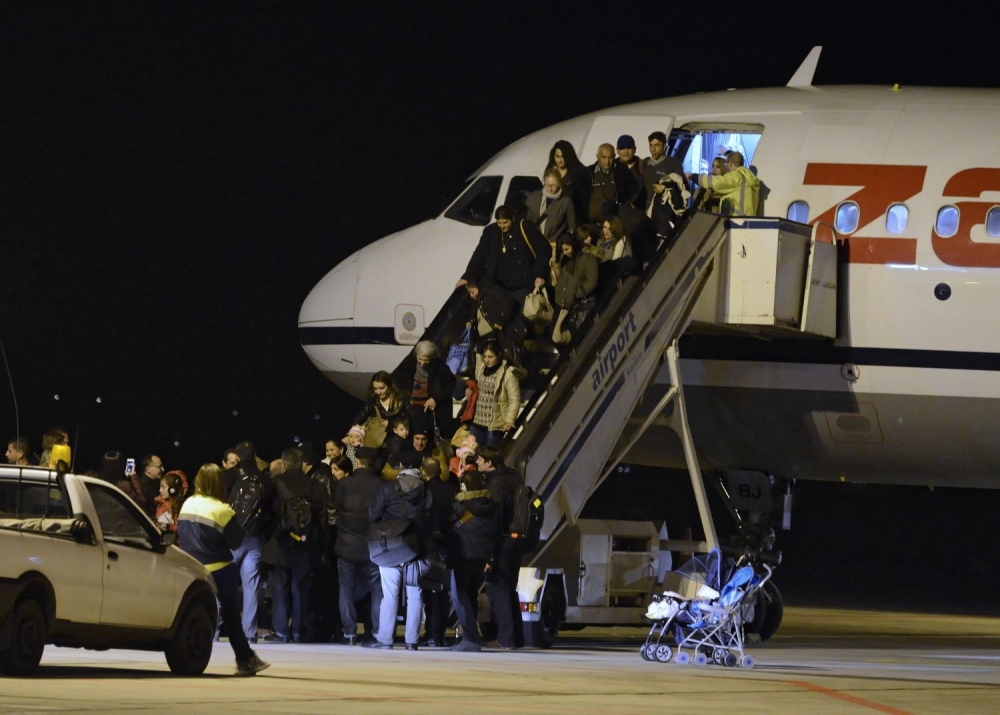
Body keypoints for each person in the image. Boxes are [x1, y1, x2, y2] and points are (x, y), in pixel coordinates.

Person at [177, 463, 270, 676]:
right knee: (231, 616)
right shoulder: (222, 510)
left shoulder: (187, 504)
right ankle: (245, 660)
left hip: (191, 567)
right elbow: (236, 542)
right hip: (217, 569)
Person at [262, 447, 327, 644]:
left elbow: (267, 515)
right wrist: (319, 546)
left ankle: (281, 631)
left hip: (278, 544)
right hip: (304, 545)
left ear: (283, 464)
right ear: (301, 463)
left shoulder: (273, 484)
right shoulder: (316, 486)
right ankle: (299, 630)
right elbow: (322, 520)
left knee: (279, 588)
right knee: (301, 588)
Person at [365, 454, 430, 650]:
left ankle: (385, 639)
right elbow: (430, 518)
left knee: (390, 593)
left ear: (401, 467)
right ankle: (412, 641)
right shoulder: (426, 490)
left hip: (391, 547)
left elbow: (373, 516)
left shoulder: (388, 488)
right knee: (415, 593)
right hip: (416, 547)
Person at [332, 446, 384, 645]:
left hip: (347, 544)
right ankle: (378, 631)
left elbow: (333, 509)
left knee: (346, 588)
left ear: (358, 462)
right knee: (377, 590)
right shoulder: (382, 485)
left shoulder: (345, 484)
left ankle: (349, 632)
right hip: (373, 545)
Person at [456, 205, 549, 315]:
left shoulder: (524, 226)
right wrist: (467, 276)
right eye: (499, 223)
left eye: (505, 222)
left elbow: (544, 249)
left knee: (523, 317)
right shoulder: (490, 232)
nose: (502, 226)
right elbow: (479, 254)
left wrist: (540, 274)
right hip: (500, 286)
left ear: (512, 219)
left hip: (523, 284)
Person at [444, 468, 500, 652]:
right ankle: (471, 637)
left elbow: (448, 524)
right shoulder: (491, 506)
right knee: (471, 596)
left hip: (463, 556)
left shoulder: (460, 506)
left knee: (460, 597)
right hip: (482, 557)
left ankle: (470, 638)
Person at [477, 445, 525, 650]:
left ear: (489, 463)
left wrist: (489, 553)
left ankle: (506, 640)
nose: (477, 463)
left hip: (502, 541)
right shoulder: (513, 478)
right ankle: (517, 638)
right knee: (510, 589)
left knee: (497, 588)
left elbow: (494, 519)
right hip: (516, 540)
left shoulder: (495, 485)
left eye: (480, 460)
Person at [228, 440, 274, 644]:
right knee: (251, 586)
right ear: (255, 456)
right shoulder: (266, 480)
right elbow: (270, 511)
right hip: (254, 538)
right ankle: (249, 632)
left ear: (237, 458)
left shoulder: (231, 477)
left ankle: (218, 627)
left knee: (224, 582)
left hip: (233, 538)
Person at [419, 456, 458, 647]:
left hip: (430, 544)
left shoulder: (425, 491)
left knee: (431, 590)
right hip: (449, 543)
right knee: (442, 591)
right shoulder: (450, 490)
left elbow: (424, 517)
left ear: (423, 472)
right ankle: (440, 633)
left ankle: (432, 633)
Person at [392, 340, 457, 440]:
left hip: (431, 409)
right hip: (414, 408)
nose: (422, 363)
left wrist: (435, 399)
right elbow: (399, 380)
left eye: (426, 360)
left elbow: (451, 385)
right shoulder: (410, 363)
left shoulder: (440, 366)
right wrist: (407, 395)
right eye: (420, 359)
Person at [470, 339, 521, 448]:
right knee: (473, 453)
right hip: (477, 420)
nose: (486, 360)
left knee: (489, 454)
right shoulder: (481, 368)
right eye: (485, 356)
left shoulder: (508, 373)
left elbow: (514, 399)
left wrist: (509, 420)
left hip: (494, 424)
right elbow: (478, 355)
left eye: (490, 357)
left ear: (499, 355)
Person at [551, 231, 599, 345]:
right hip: (563, 305)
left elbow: (592, 280)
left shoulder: (586, 259)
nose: (565, 253)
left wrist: (577, 293)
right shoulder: (565, 261)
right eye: (562, 250)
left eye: (567, 249)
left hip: (577, 304)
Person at [581, 143, 640, 223]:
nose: (607, 161)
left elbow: (633, 190)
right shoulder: (588, 173)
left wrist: (624, 207)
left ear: (614, 156)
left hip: (615, 223)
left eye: (610, 157)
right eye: (603, 157)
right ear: (597, 156)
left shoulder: (622, 171)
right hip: (592, 223)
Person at [688, 151, 760, 217]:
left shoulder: (736, 177)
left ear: (731, 163)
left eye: (727, 163)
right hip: (748, 222)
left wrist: (693, 177)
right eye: (712, 166)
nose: (714, 169)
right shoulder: (749, 179)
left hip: (737, 221)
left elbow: (716, 182)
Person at [642, 131, 687, 236]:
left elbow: (683, 185)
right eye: (651, 145)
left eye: (657, 145)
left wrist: (665, 187)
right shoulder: (645, 163)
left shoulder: (673, 163)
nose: (653, 149)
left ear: (664, 146)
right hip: (646, 210)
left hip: (663, 212)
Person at [354, 371, 408, 449]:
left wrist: (391, 423)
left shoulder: (400, 398)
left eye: (381, 388)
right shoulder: (373, 399)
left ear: (389, 386)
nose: (378, 392)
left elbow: (408, 417)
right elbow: (363, 414)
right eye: (375, 388)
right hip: (377, 438)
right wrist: (352, 430)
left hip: (396, 437)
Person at [524, 169, 577, 248]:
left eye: (553, 185)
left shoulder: (566, 201)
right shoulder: (533, 197)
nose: (550, 188)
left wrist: (564, 242)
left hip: (554, 245)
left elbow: (572, 226)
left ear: (559, 184)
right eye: (547, 185)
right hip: (534, 243)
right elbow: (527, 221)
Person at [545, 140, 588, 220]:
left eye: (563, 157)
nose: (560, 160)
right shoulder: (550, 170)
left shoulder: (579, 172)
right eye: (557, 156)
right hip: (552, 215)